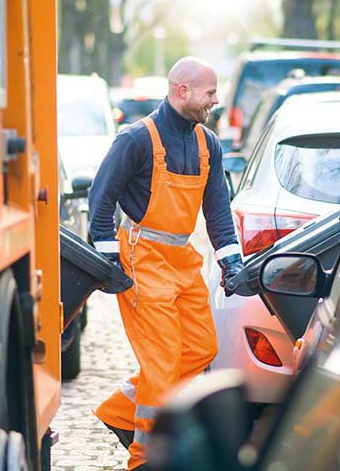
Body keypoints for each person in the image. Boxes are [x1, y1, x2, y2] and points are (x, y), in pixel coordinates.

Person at [88, 57, 248, 470]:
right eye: (210, 93)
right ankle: (146, 460)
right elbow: (100, 200)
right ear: (183, 91)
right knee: (161, 363)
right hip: (142, 259)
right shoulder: (136, 140)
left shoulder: (207, 143)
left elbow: (218, 211)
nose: (215, 101)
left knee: (201, 347)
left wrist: (231, 262)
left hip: (181, 259)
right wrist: (109, 259)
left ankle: (121, 412)